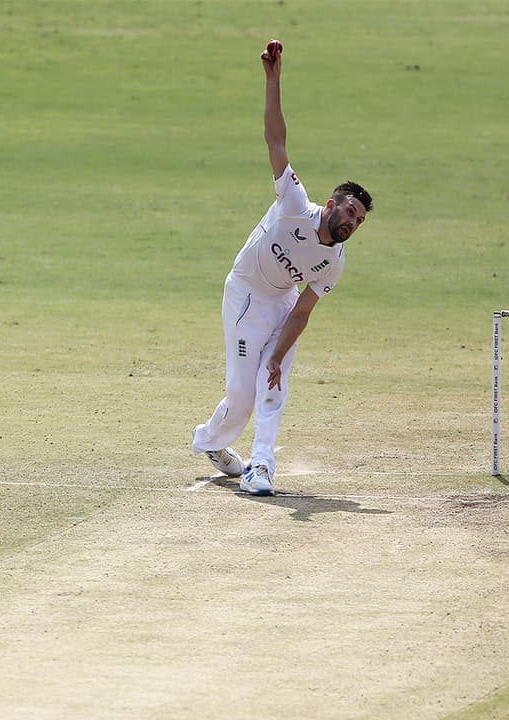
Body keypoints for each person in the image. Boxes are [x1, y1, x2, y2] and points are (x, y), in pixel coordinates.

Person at [191, 38, 373, 495]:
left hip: (282, 303)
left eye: (359, 220)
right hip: (246, 293)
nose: (351, 222)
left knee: (272, 383)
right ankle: (212, 442)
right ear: (331, 205)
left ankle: (261, 466)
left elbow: (303, 312)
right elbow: (276, 139)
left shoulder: (333, 263)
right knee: (241, 397)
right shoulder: (294, 203)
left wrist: (277, 355)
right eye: (349, 211)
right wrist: (273, 81)